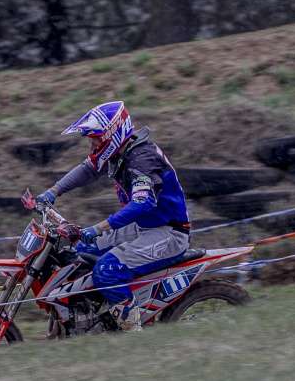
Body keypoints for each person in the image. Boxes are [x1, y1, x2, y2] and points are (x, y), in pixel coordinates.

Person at [34, 101, 190, 328]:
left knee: (107, 270)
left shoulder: (142, 159)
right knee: (79, 251)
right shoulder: (119, 152)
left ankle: (133, 331)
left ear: (113, 134)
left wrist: (98, 228)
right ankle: (94, 314)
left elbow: (142, 203)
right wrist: (53, 191)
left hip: (168, 232)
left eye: (96, 139)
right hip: (142, 226)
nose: (93, 144)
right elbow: (87, 169)